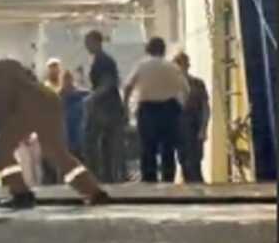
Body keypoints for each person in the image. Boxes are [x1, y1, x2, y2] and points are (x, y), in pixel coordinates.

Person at [0, 58, 109, 208]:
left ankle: (21, 194)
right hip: (48, 100)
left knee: (1, 151)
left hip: (29, 106)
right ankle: (93, 192)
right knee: (57, 153)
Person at [123, 37, 189, 183]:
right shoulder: (172, 67)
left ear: (148, 49)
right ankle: (168, 180)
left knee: (148, 149)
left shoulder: (142, 66)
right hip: (170, 109)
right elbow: (185, 89)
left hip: (147, 110)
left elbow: (128, 87)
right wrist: (181, 107)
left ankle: (149, 182)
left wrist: (126, 108)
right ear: (163, 50)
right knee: (168, 149)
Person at [83, 30, 127, 183]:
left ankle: (101, 177)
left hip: (106, 108)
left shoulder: (103, 61)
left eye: (88, 42)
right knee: (106, 145)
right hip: (107, 107)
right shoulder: (100, 60)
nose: (86, 46)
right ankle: (106, 177)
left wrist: (92, 97)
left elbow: (108, 83)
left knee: (94, 143)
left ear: (96, 42)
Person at [173, 51, 209, 183]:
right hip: (179, 126)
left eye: (184, 64)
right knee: (183, 161)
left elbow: (205, 107)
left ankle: (197, 189)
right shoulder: (172, 85)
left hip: (194, 124)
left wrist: (203, 129)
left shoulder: (197, 84)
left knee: (196, 161)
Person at [60, 70, 90, 159]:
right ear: (62, 81)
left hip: (79, 132)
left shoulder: (82, 94)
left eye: (69, 79)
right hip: (66, 134)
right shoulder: (59, 96)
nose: (67, 82)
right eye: (65, 79)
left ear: (72, 80)